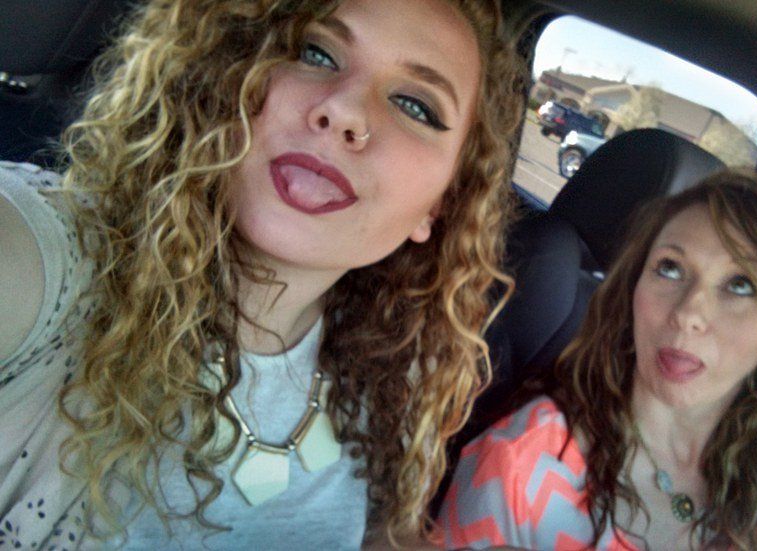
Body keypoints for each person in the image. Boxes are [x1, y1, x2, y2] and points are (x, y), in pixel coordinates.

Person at [0, 0, 527, 547]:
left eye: (415, 106)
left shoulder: (397, 366)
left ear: (439, 206)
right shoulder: (58, 269)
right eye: (315, 53)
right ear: (226, 70)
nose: (345, 110)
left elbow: (383, 536)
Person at [439, 170, 757, 550]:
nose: (688, 313)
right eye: (670, 268)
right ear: (631, 293)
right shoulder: (518, 467)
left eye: (740, 285)